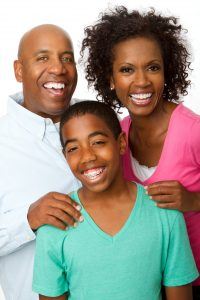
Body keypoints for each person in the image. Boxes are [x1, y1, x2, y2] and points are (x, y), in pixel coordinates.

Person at [81, 6, 200, 298]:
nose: (142, 81)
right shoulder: (116, 139)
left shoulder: (192, 131)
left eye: (152, 67)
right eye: (126, 69)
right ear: (110, 79)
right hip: (145, 283)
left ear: (166, 72)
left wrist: (194, 199)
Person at [32, 100, 198, 300]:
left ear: (121, 143)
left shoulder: (165, 213)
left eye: (98, 142)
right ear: (65, 155)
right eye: (73, 148)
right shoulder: (55, 225)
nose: (88, 157)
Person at [0, 24, 83, 300]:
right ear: (19, 70)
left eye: (67, 58)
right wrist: (28, 219)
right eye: (43, 57)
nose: (58, 68)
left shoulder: (102, 125)